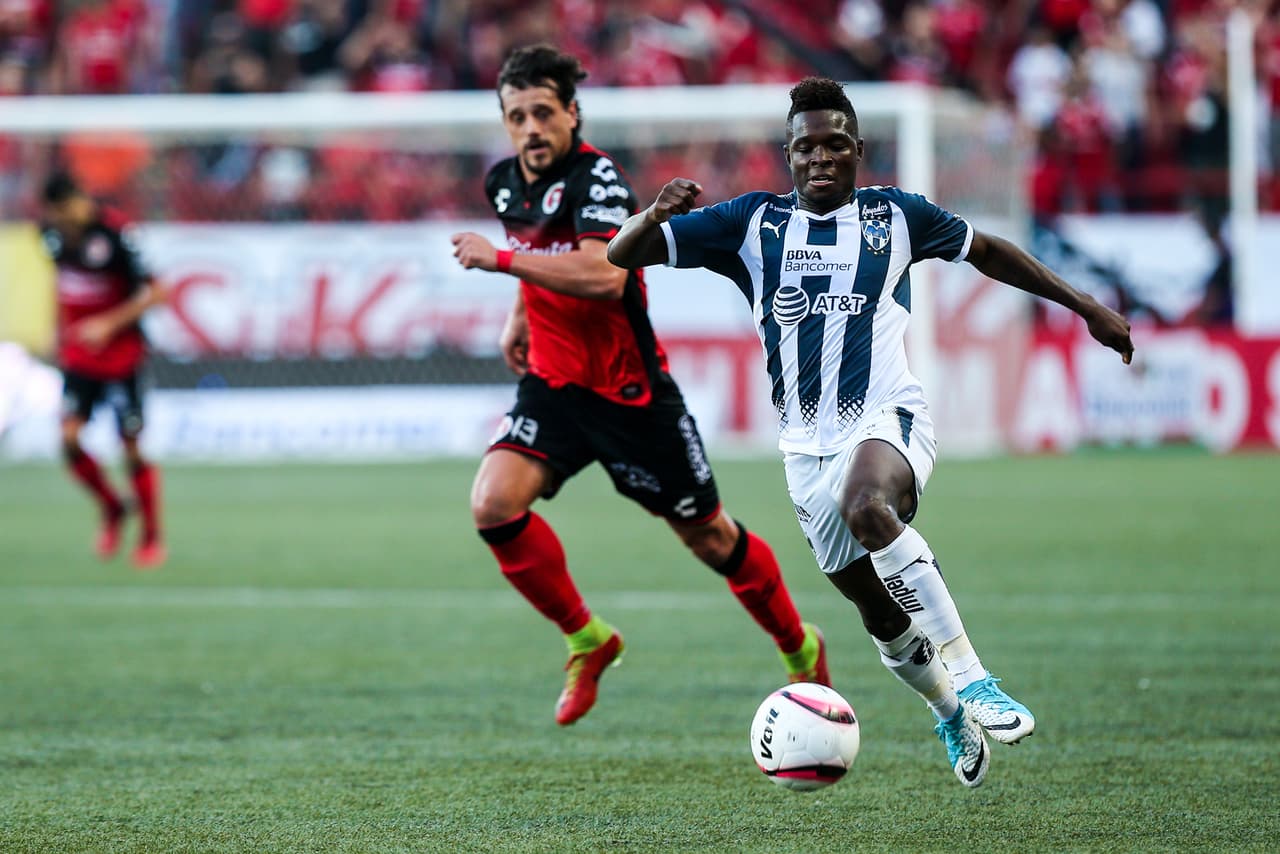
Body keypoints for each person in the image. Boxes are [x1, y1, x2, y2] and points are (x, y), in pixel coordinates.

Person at [608, 77, 1134, 786]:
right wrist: (651, 213)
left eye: (833, 145)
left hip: (889, 419)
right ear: (787, 156)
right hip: (802, 448)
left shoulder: (898, 217)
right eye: (804, 148)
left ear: (858, 149)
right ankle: (950, 713)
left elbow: (990, 252)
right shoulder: (749, 223)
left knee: (868, 507)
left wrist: (1086, 306)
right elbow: (622, 256)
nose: (819, 158)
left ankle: (974, 676)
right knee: (876, 610)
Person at [450, 46, 831, 727]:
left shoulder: (598, 178)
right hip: (554, 385)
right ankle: (588, 640)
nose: (531, 129)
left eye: (543, 113)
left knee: (710, 538)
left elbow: (604, 276)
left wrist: (501, 263)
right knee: (493, 505)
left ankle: (800, 647)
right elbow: (545, 249)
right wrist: (519, 316)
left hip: (631, 395)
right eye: (517, 116)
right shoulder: (506, 182)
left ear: (571, 113)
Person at [40, 172, 168, 569]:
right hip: (79, 357)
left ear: (79, 200)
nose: (61, 218)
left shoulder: (115, 234)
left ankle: (150, 537)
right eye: (54, 213)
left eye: (64, 209)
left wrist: (108, 325)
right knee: (69, 440)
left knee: (130, 445)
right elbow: (59, 283)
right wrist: (55, 330)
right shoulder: (51, 236)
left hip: (122, 355)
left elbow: (158, 291)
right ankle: (113, 507)